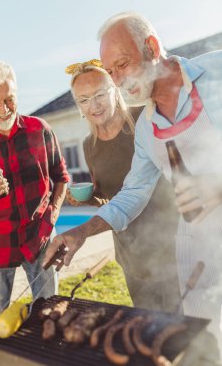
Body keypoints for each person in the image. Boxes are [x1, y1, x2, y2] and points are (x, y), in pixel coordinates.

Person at [43, 12, 222, 356]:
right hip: (196, 256)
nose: (118, 80)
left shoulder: (217, 71)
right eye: (111, 72)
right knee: (202, 349)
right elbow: (132, 195)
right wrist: (81, 232)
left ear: (152, 47)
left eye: (122, 65)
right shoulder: (146, 129)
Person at [65, 59, 180, 311]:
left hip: (172, 245)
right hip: (131, 252)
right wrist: (88, 198)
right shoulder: (88, 145)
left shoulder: (147, 118)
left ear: (114, 90)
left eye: (99, 95)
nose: (93, 105)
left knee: (186, 331)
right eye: (83, 100)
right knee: (146, 327)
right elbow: (108, 198)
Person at [0, 60, 69, 323]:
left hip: (41, 238)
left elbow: (61, 177)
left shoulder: (40, 130)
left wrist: (54, 214)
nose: (4, 109)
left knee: (49, 315)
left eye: (9, 99)